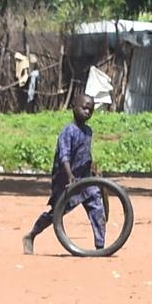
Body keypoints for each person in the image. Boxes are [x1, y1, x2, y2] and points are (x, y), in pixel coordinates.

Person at [23, 96, 103, 253]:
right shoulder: (68, 131)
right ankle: (31, 235)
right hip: (67, 180)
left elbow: (85, 153)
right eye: (84, 108)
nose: (87, 112)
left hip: (85, 179)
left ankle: (100, 246)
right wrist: (69, 175)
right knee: (56, 214)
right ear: (74, 107)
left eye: (91, 110)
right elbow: (64, 156)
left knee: (97, 207)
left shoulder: (88, 131)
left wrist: (92, 169)